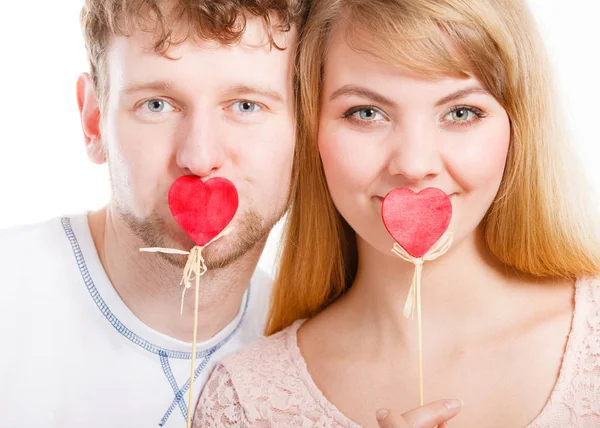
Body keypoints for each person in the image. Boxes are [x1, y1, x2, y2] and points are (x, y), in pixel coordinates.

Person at [194, 0, 600, 426]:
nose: (413, 163)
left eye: (461, 113)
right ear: (311, 128)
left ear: (519, 124)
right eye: (367, 113)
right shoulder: (247, 402)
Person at [0, 0, 308, 427]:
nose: (199, 158)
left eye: (246, 106)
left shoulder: (310, 359)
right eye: (157, 105)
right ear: (93, 120)